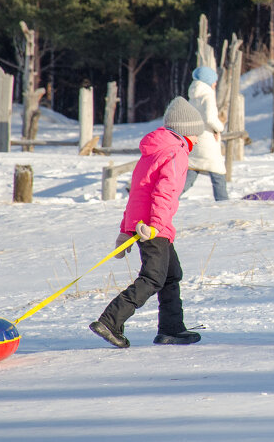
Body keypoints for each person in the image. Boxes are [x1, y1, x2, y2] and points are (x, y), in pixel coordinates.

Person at [89, 96, 207, 348]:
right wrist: (155, 226)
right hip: (154, 227)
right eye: (197, 134)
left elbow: (137, 193)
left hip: (146, 224)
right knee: (153, 278)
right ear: (185, 131)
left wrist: (126, 229)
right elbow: (164, 192)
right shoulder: (176, 153)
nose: (198, 139)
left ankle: (171, 329)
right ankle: (110, 321)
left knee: (171, 274)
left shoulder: (154, 151)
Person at [182, 66, 228, 201]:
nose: (215, 84)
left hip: (195, 138)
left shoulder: (193, 95)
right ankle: (223, 202)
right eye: (214, 81)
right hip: (207, 139)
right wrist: (219, 128)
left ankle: (170, 198)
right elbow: (210, 118)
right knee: (218, 172)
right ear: (208, 81)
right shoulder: (208, 95)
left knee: (192, 170)